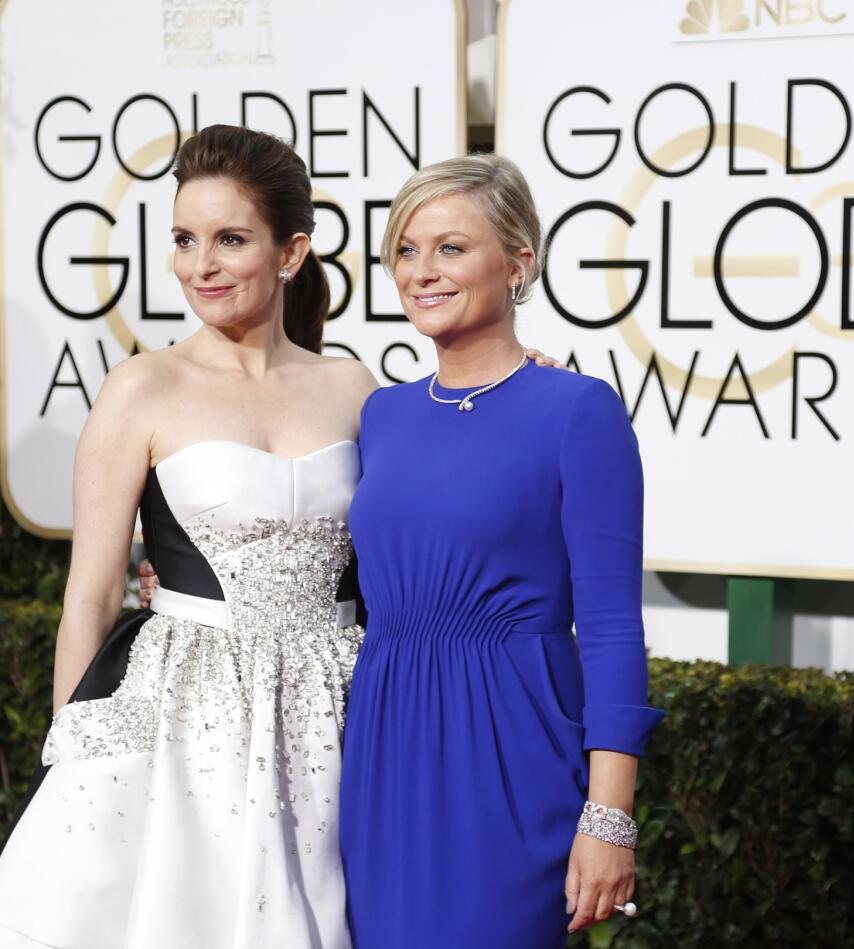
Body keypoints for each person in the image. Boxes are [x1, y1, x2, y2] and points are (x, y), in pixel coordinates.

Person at [0, 124, 377, 949]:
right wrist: (74, 757)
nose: (199, 265)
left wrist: (518, 375)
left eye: (230, 239)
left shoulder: (351, 384)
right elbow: (92, 593)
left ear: (291, 252)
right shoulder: (141, 388)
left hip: (338, 715)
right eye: (183, 239)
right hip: (188, 719)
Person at [338, 154, 664, 948]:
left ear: (519, 262)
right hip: (382, 752)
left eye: (450, 248)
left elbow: (614, 625)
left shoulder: (579, 412)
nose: (422, 272)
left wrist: (609, 813)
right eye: (406, 251)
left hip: (509, 752)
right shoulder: (381, 414)